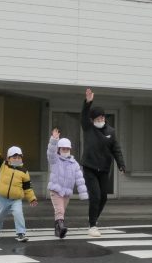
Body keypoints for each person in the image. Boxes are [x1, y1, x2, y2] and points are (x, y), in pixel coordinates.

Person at [80, 88, 126, 237]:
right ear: (92, 120)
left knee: (104, 197)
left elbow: (116, 149)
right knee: (95, 196)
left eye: (102, 118)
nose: (100, 121)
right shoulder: (88, 128)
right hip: (90, 167)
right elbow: (83, 115)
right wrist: (88, 102)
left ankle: (93, 218)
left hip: (104, 168)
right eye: (97, 119)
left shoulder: (110, 131)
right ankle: (92, 226)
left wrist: (121, 164)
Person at [0, 140, 38, 242]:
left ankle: (21, 233)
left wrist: (32, 198)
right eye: (14, 157)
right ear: (8, 158)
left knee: (18, 214)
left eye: (19, 157)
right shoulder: (3, 166)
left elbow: (27, 187)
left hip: (16, 199)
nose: (17, 159)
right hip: (2, 198)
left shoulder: (24, 171)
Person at [47, 128, 88, 238]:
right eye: (63, 149)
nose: (65, 151)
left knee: (61, 211)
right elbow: (51, 152)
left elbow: (80, 179)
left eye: (67, 149)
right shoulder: (55, 160)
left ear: (70, 150)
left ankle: (57, 230)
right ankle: (61, 228)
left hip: (67, 192)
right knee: (59, 210)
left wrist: (83, 193)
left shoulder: (74, 163)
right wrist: (54, 139)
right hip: (56, 189)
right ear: (59, 149)